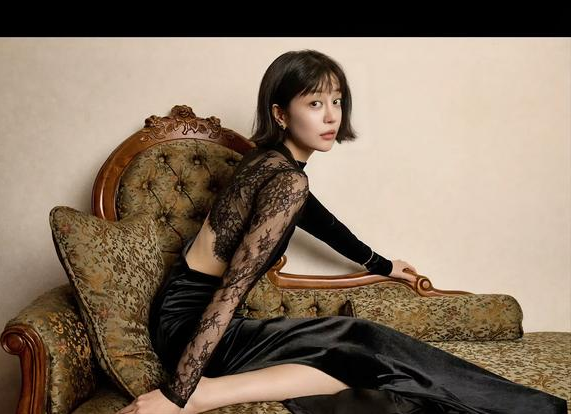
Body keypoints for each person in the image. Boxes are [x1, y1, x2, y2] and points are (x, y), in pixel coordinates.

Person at [117, 50, 567, 414]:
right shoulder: (286, 180)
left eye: (336, 101)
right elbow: (231, 289)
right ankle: (208, 394)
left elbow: (323, 223)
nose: (331, 116)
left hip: (180, 316)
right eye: (315, 104)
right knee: (360, 353)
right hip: (196, 331)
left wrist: (384, 266)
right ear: (280, 113)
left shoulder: (271, 163)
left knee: (360, 336)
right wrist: (178, 394)